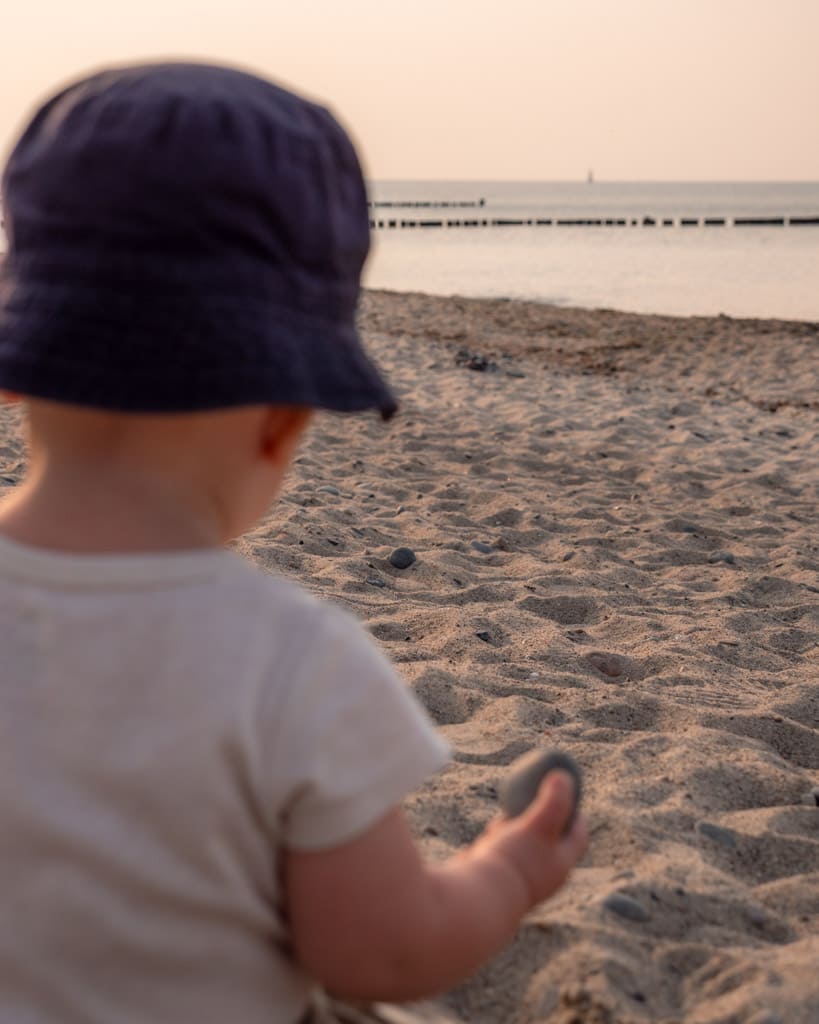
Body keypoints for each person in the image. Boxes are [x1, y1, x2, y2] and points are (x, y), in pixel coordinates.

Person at [0, 63, 588, 1024]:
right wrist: (510, 871)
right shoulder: (292, 661)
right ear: (284, 419)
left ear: (17, 373)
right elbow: (380, 951)